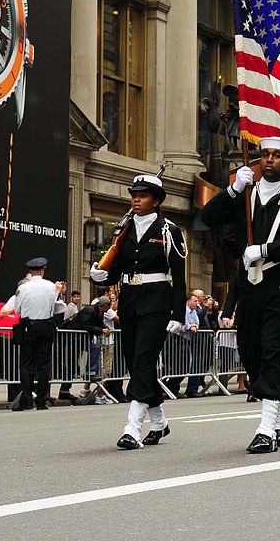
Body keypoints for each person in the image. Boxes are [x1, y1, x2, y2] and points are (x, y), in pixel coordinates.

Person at [201, 137, 280, 454]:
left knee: (270, 350)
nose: (269, 160)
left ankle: (266, 428)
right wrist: (233, 190)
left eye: (277, 155)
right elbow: (209, 217)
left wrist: (266, 249)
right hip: (248, 286)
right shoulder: (246, 193)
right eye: (265, 154)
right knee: (250, 351)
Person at [91, 173, 187, 449]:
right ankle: (159, 422)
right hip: (131, 301)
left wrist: (178, 315)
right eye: (134, 194)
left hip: (158, 303)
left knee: (144, 360)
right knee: (135, 363)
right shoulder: (123, 229)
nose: (136, 199)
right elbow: (118, 269)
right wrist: (101, 277)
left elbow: (179, 278)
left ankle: (132, 428)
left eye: (143, 195)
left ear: (156, 201)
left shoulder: (169, 231)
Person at [12, 258, 66, 411]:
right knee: (44, 365)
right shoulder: (51, 286)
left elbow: (17, 309)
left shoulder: (23, 288)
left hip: (29, 327)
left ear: (30, 271)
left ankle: (27, 399)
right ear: (43, 270)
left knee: (26, 364)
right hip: (46, 326)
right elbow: (56, 307)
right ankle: (42, 401)